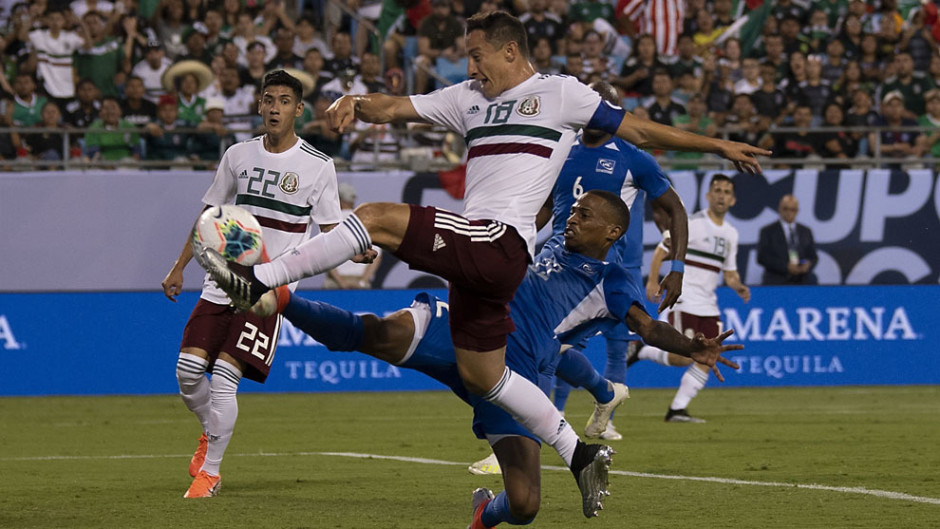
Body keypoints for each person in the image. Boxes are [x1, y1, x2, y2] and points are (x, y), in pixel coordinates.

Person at [198, 10, 767, 516]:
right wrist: (354, 101)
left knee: (373, 216)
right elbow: (395, 107)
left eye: (477, 55)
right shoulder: (467, 97)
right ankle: (579, 453)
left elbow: (638, 128)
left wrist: (718, 146)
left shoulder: (560, 93)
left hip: (499, 243)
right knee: (485, 378)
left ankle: (259, 280)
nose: (470, 66)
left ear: (510, 51)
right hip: (484, 266)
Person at [240, 190, 742, 527]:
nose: (573, 217)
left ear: (612, 233)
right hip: (467, 326)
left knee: (524, 505)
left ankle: (485, 514)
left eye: (585, 215)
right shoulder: (548, 242)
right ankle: (278, 297)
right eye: (574, 210)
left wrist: (694, 346)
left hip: (518, 374)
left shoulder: (613, 281)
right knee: (371, 333)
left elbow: (648, 327)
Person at [160, 70, 345, 499]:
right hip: (222, 276)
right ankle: (211, 430)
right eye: (268, 99)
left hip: (269, 289)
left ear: (298, 109)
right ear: (259, 105)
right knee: (188, 373)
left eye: (284, 100)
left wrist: (356, 250)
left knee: (225, 378)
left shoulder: (319, 166)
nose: (274, 107)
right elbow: (209, 217)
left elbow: (333, 228)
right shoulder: (238, 155)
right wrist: (178, 267)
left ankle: (210, 473)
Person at [535, 80, 689, 443]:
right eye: (591, 104)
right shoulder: (561, 150)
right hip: (555, 264)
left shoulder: (632, 157)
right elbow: (542, 209)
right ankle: (592, 399)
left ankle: (542, 424)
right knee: (544, 344)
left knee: (548, 343)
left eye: (604, 106)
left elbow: (674, 209)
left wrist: (676, 267)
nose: (594, 111)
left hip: (603, 275)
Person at [634, 174, 750, 423]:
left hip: (709, 305)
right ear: (708, 195)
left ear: (733, 200)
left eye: (726, 191)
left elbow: (729, 273)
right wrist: (653, 281)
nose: (721, 195)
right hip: (685, 299)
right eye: (716, 190)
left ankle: (677, 409)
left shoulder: (731, 234)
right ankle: (642, 350)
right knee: (682, 357)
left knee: (708, 356)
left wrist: (737, 285)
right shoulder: (692, 223)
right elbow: (662, 250)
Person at [324, 183, 383, 289]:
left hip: (335, 282)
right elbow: (377, 256)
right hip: (359, 280)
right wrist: (363, 281)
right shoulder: (366, 221)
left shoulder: (331, 222)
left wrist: (340, 282)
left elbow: (325, 255)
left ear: (339, 200)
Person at [756, 194, 818, 285]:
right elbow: (762, 257)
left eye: (793, 209)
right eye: (785, 209)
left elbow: (813, 256)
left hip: (802, 282)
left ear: (797, 211)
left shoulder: (806, 231)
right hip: (776, 282)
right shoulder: (767, 231)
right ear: (779, 209)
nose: (789, 212)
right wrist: (786, 267)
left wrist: (808, 265)